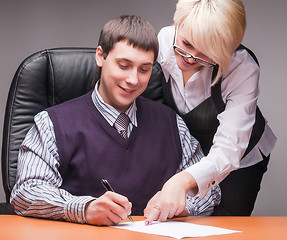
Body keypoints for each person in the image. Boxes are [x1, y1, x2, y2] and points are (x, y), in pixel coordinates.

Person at [10, 15, 221, 226]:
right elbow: (26, 192)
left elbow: (210, 192)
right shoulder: (51, 124)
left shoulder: (172, 124)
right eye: (123, 65)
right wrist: (84, 209)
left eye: (144, 69)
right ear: (101, 56)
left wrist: (182, 204)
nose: (133, 80)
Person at [144, 0, 277, 223]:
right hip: (190, 150)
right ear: (176, 18)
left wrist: (180, 181)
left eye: (206, 52)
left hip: (239, 157)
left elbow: (228, 150)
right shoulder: (163, 42)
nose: (190, 57)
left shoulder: (241, 67)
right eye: (186, 43)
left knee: (225, 225)